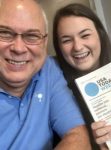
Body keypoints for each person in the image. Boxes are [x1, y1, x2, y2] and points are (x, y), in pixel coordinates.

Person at [0, 0, 92, 150]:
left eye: (32, 36)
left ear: (45, 41)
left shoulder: (48, 68)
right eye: (4, 33)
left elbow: (77, 135)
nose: (18, 48)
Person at [53, 3, 111, 150]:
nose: (78, 46)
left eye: (85, 35)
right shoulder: (58, 88)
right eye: (67, 40)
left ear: (100, 34)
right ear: (59, 47)